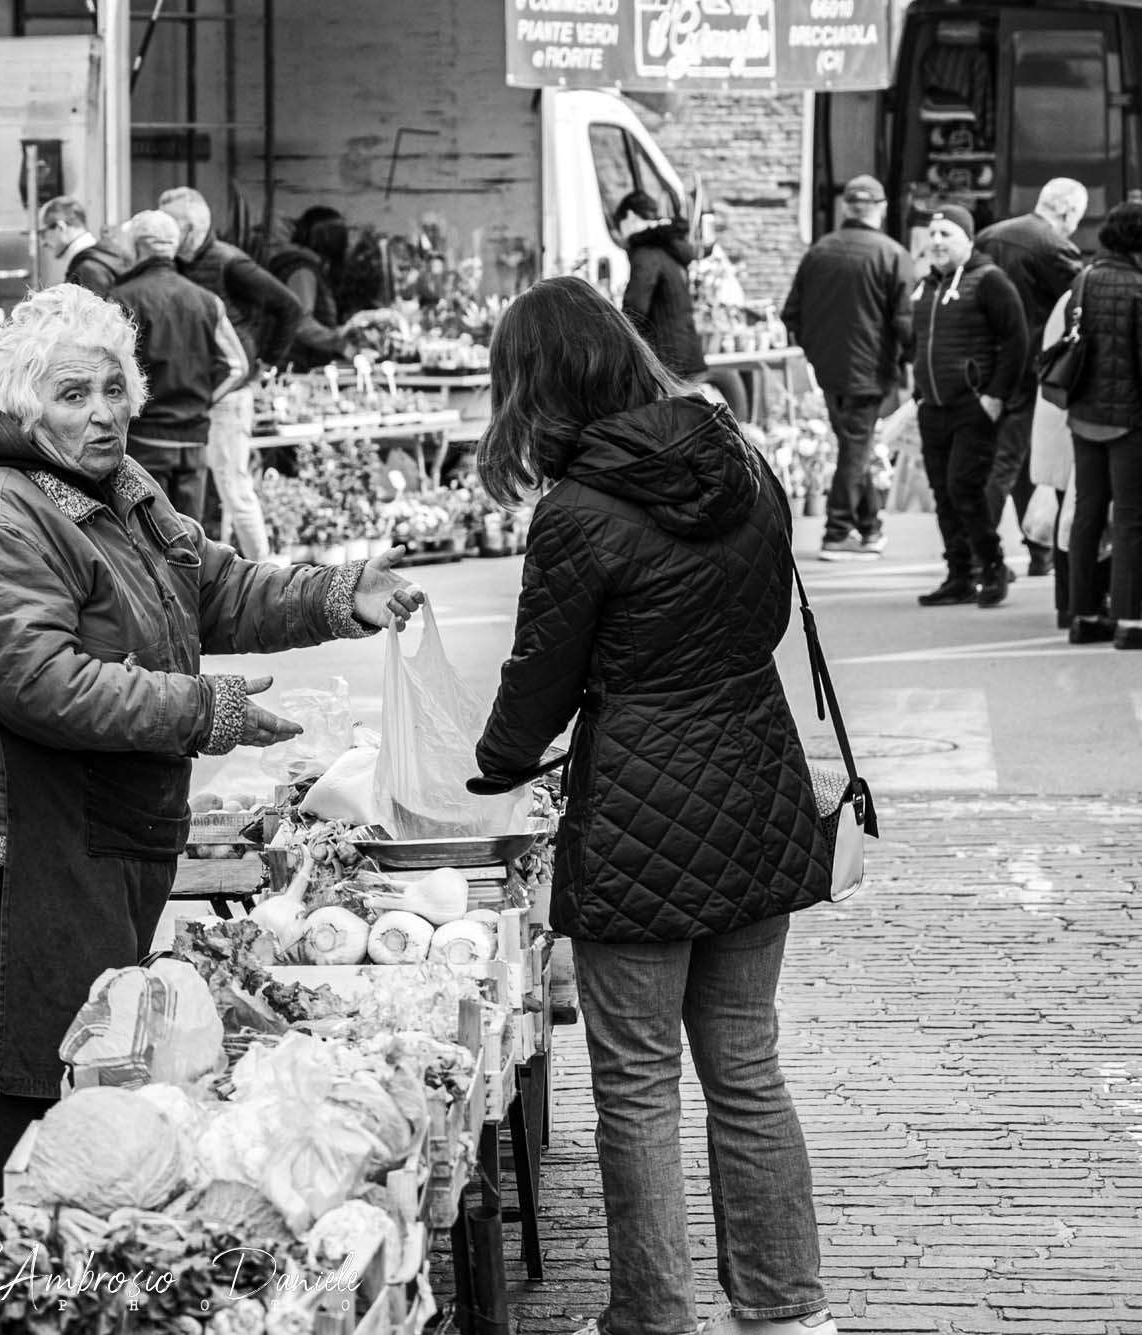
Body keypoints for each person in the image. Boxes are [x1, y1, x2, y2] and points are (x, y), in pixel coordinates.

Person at [0, 283, 426, 1219]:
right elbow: (47, 685)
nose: (102, 412)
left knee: (108, 1083)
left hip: (100, 837)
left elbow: (213, 588)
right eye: (72, 393)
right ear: (23, 405)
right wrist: (206, 711)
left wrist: (340, 596)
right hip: (18, 857)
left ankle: (95, 1290)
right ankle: (18, 1295)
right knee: (35, 1116)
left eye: (112, 387)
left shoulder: (118, 487)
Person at [468, 276, 838, 1335]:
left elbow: (540, 674)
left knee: (635, 1083)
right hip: (754, 782)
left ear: (536, 386)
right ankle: (784, 1311)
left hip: (637, 803)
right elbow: (763, 618)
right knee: (746, 1064)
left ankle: (653, 1317)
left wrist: (490, 770)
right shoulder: (739, 458)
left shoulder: (576, 511)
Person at [160, 185, 305, 562]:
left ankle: (265, 573)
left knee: (233, 488)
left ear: (190, 228)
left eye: (171, 226)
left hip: (228, 393)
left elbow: (289, 307)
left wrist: (265, 364)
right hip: (198, 392)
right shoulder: (177, 265)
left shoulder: (230, 262)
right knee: (207, 490)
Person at [781, 175, 916, 562]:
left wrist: (817, 352)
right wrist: (910, 363)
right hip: (870, 371)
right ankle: (838, 531)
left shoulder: (819, 252)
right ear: (883, 208)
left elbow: (792, 313)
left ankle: (870, 526)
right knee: (856, 448)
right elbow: (904, 321)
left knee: (853, 446)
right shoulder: (892, 254)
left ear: (845, 209)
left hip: (830, 370)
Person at [910, 204, 1030, 608]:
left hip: (972, 408)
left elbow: (1016, 341)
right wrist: (917, 393)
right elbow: (919, 345)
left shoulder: (989, 281)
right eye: (934, 233)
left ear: (968, 239)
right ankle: (959, 575)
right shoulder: (926, 287)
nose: (938, 241)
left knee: (966, 488)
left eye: (948, 234)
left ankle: (992, 567)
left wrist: (994, 397)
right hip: (933, 407)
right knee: (943, 493)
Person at [975, 178, 1088, 578]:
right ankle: (981, 553)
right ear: (1068, 212)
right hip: (1029, 367)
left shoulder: (990, 235)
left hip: (986, 365)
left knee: (1015, 459)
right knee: (1011, 461)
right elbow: (1079, 302)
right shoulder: (1053, 247)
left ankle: (1037, 552)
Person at [110, 209, 248, 523]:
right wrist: (203, 401)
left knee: (146, 538)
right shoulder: (207, 300)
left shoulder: (121, 299)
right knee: (190, 539)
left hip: (144, 440)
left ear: (138, 247)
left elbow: (109, 368)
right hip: (194, 437)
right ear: (172, 247)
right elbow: (237, 366)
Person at [1058, 200, 1142, 649]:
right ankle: (1131, 622)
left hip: (1084, 417)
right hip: (1129, 423)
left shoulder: (1083, 278)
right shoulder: (1137, 287)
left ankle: (1083, 616)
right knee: (1130, 520)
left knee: (1087, 515)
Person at [615, 190, 708, 381]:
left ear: (630, 216)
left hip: (667, 359)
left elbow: (635, 308)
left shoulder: (645, 251)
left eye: (620, 225)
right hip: (686, 351)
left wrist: (619, 337)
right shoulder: (667, 246)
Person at [265, 208, 352, 369]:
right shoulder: (302, 271)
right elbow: (301, 323)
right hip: (292, 365)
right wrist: (340, 341)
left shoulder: (307, 268)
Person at [37, 195, 126, 296]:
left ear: (61, 227)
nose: (43, 243)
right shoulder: (105, 257)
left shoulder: (87, 270)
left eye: (43, 233)